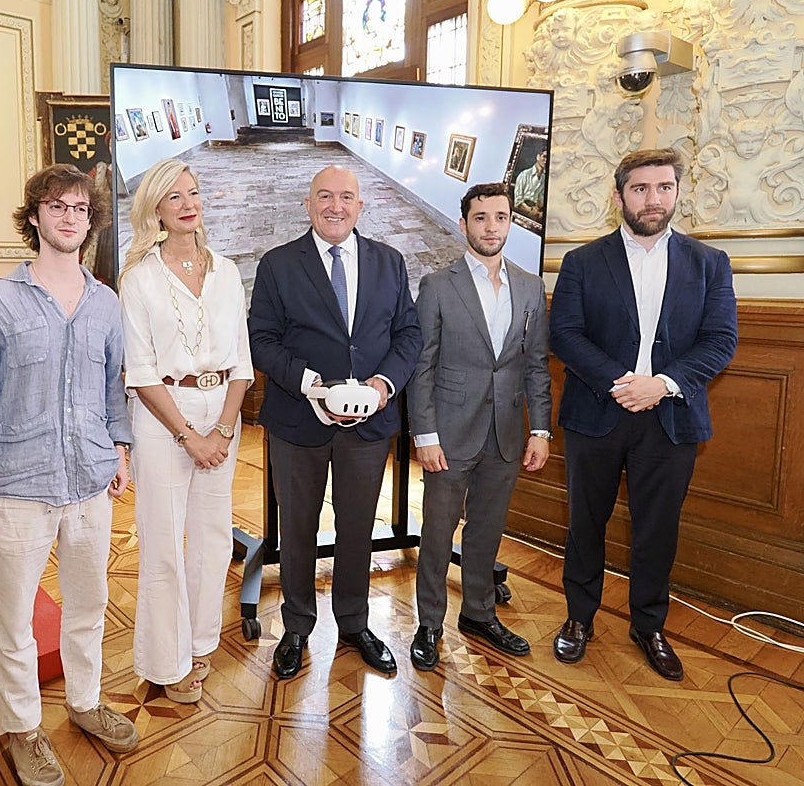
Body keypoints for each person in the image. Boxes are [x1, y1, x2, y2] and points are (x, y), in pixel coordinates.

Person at [0, 164, 138, 786]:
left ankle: (84, 703)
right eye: (56, 207)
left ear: (91, 221)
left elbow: (115, 391)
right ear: (34, 218)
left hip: (89, 485)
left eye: (80, 209)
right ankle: (24, 729)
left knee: (89, 606)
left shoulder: (106, 303)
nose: (69, 217)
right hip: (15, 489)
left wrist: (121, 451)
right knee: (16, 621)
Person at [549, 148, 737, 681]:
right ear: (619, 197)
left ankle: (648, 624)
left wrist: (663, 384)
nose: (651, 199)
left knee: (658, 529)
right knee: (586, 524)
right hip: (597, 414)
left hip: (671, 418)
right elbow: (564, 333)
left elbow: (721, 341)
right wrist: (622, 384)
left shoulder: (709, 263)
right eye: (639, 189)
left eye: (662, 188)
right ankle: (578, 619)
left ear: (677, 193)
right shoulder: (583, 262)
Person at [249, 165, 422, 680]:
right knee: (297, 529)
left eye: (346, 197)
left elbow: (408, 335)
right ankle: (297, 626)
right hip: (298, 420)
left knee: (356, 529)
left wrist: (381, 385)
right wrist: (311, 386)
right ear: (308, 204)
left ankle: (354, 622)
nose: (335, 206)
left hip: (368, 427)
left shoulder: (389, 262)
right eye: (324, 196)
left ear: (360, 207)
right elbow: (261, 338)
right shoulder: (278, 264)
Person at [118, 158, 253, 703]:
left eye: (193, 193)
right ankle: (165, 659)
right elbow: (141, 369)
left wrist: (221, 428)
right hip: (161, 417)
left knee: (214, 540)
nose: (187, 203)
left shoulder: (226, 271)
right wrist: (187, 436)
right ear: (155, 209)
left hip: (224, 411)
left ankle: (200, 646)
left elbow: (242, 362)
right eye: (174, 196)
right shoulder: (138, 278)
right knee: (163, 543)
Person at [405, 183, 553, 671]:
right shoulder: (438, 285)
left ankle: (478, 613)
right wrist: (424, 434)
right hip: (448, 433)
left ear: (512, 222)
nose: (492, 227)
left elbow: (535, 366)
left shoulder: (530, 286)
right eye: (481, 218)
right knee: (438, 530)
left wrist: (541, 430)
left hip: (507, 431)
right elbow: (422, 365)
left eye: (501, 217)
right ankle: (429, 623)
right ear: (464, 222)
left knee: (487, 530)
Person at [513, 149, 548, 221]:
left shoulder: (545, 178)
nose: (546, 160)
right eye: (544, 156)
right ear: (538, 157)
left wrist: (539, 212)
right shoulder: (524, 174)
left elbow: (541, 200)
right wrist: (530, 211)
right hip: (521, 212)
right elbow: (517, 201)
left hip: (535, 213)